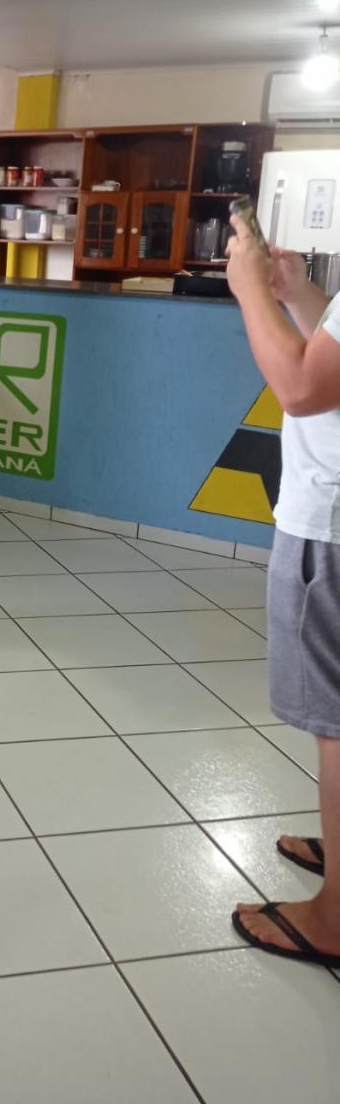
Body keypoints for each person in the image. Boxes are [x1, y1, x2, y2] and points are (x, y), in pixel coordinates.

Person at [226, 216, 340, 968]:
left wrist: (249, 291)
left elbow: (300, 387)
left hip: (329, 529)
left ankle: (335, 918)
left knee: (335, 721)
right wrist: (300, 296)